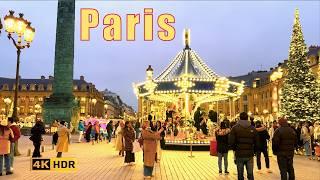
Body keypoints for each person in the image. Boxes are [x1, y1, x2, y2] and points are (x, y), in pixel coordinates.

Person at [229, 112, 258, 180]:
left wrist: (235, 149)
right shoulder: (253, 128)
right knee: (250, 174)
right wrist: (254, 151)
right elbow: (257, 142)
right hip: (250, 154)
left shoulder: (235, 128)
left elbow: (231, 142)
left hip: (239, 154)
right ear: (247, 118)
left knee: (240, 174)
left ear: (239, 118)